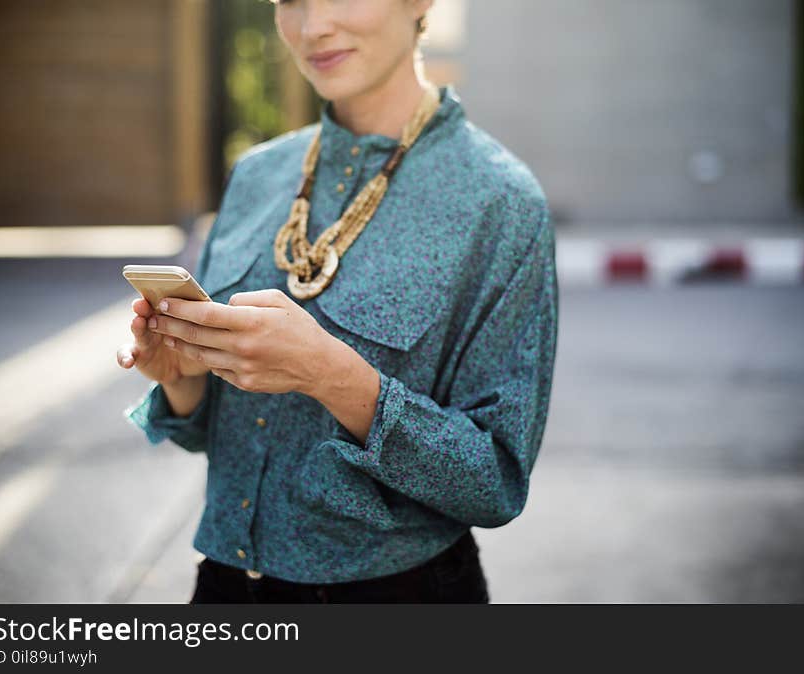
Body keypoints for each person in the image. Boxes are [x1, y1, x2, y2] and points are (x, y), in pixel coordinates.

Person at [117, 0, 558, 603]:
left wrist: (333, 376)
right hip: (221, 587)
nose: (312, 26)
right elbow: (217, 439)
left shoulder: (501, 202)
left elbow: (494, 483)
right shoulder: (256, 175)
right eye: (289, 1)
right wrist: (183, 381)